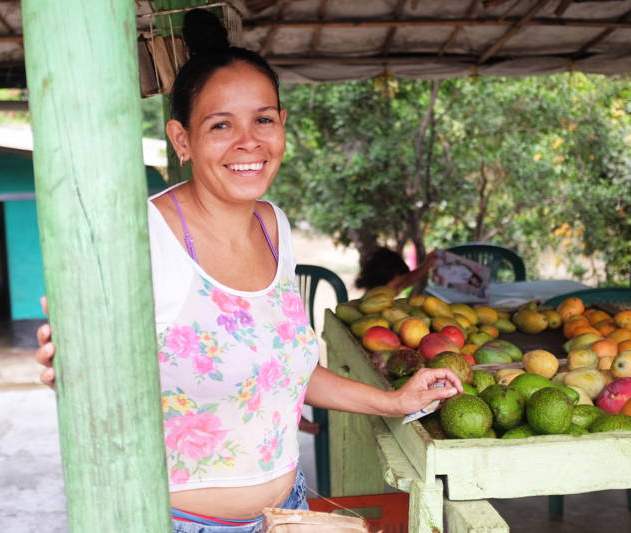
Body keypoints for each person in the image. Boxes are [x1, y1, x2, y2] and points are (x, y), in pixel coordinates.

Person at [35, 9, 461, 533]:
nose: (248, 142)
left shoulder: (273, 226)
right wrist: (71, 366)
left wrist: (393, 400)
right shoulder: (144, 239)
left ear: (281, 124)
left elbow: (286, 369)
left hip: (288, 513)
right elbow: (91, 368)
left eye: (263, 119)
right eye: (220, 125)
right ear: (182, 139)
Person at [355, 246, 437, 294]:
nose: (401, 289)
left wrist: (427, 264)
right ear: (379, 283)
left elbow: (409, 279)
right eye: (397, 286)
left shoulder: (386, 289)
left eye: (401, 284)